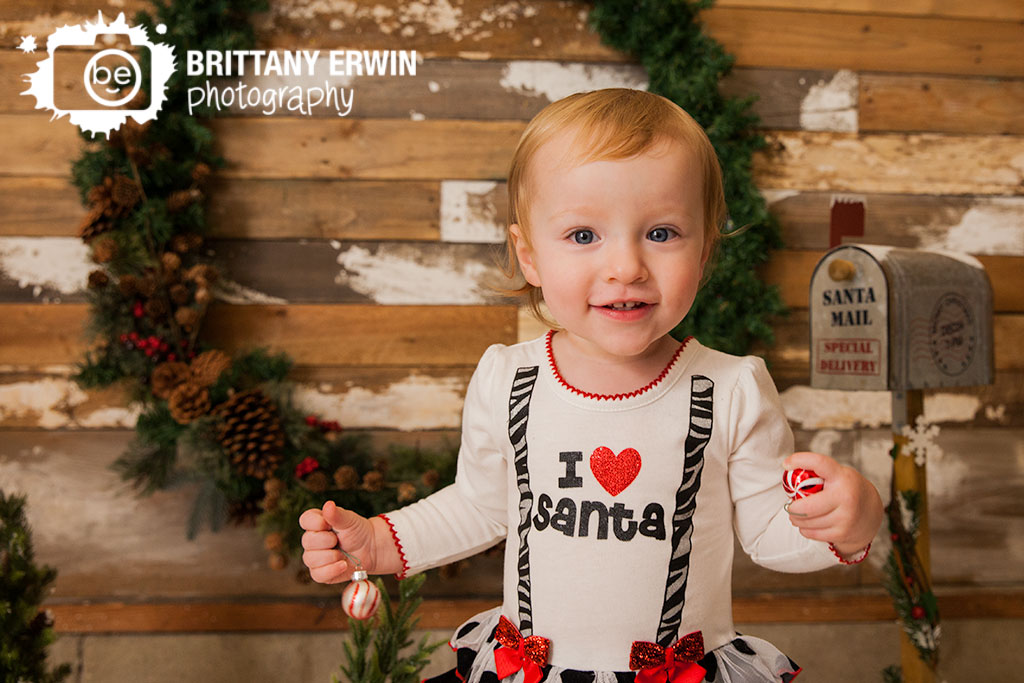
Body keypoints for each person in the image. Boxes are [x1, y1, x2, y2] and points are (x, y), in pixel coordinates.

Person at [300, 88, 884, 682]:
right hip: (530, 669)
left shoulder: (730, 388)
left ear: (705, 252)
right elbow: (479, 506)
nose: (626, 265)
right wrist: (378, 542)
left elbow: (767, 535)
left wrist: (847, 525)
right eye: (584, 236)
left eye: (662, 234)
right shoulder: (511, 379)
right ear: (529, 256)